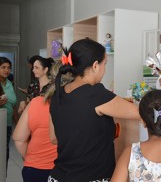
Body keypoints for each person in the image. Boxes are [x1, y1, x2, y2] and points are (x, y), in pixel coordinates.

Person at [48, 38, 141, 182]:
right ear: (95, 65)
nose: (104, 69)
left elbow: (54, 138)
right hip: (91, 177)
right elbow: (141, 113)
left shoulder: (57, 94)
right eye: (105, 64)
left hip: (58, 177)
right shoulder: (95, 94)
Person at [12, 62, 72, 182]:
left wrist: (30, 157)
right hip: (66, 169)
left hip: (35, 168)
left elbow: (18, 138)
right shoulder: (79, 105)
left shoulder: (36, 102)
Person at [0, 57, 18, 173]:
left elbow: (13, 105)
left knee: (4, 155)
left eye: (8, 68)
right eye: (3, 67)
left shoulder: (9, 82)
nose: (7, 70)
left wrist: (19, 124)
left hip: (7, 125)